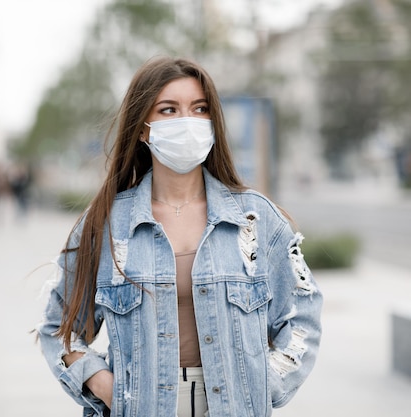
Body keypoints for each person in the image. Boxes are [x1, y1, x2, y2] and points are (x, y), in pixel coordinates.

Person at [36, 56, 323, 417]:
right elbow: (57, 326)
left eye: (199, 109)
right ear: (143, 129)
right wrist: (104, 385)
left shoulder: (256, 219)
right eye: (169, 110)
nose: (187, 122)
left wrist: (262, 384)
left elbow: (302, 317)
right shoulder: (107, 225)